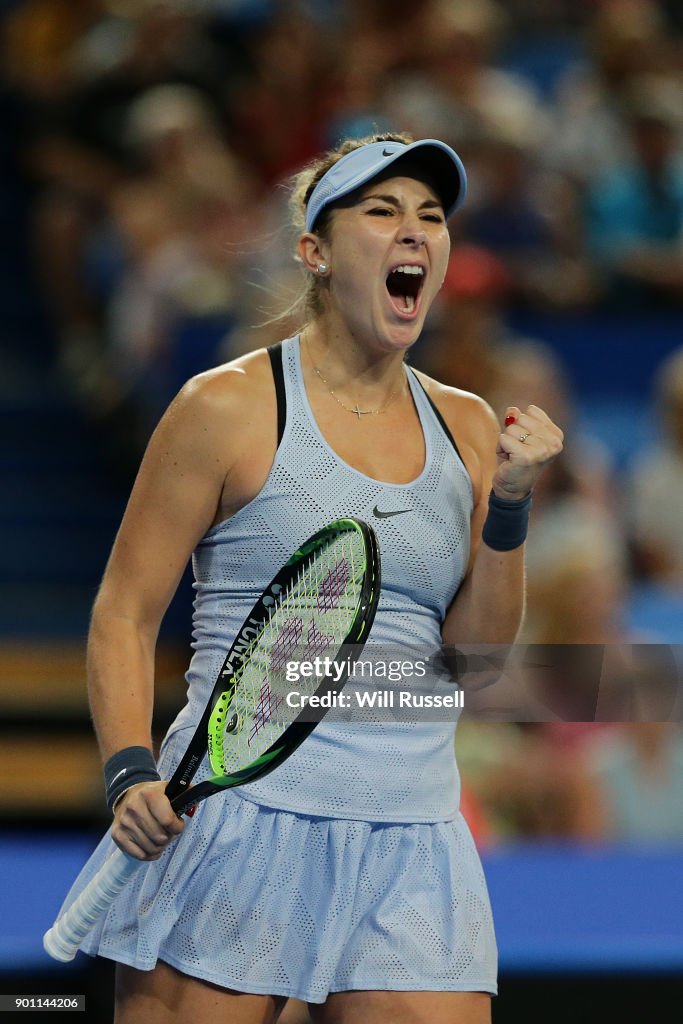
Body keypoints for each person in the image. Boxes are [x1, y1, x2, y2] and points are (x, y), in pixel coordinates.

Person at [57, 132, 563, 1024]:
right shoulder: (224, 406)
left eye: (432, 218)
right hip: (236, 817)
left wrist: (510, 507)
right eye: (382, 211)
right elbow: (125, 613)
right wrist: (128, 768)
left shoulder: (473, 428)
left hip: (411, 836)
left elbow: (474, 663)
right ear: (315, 252)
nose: (414, 233)